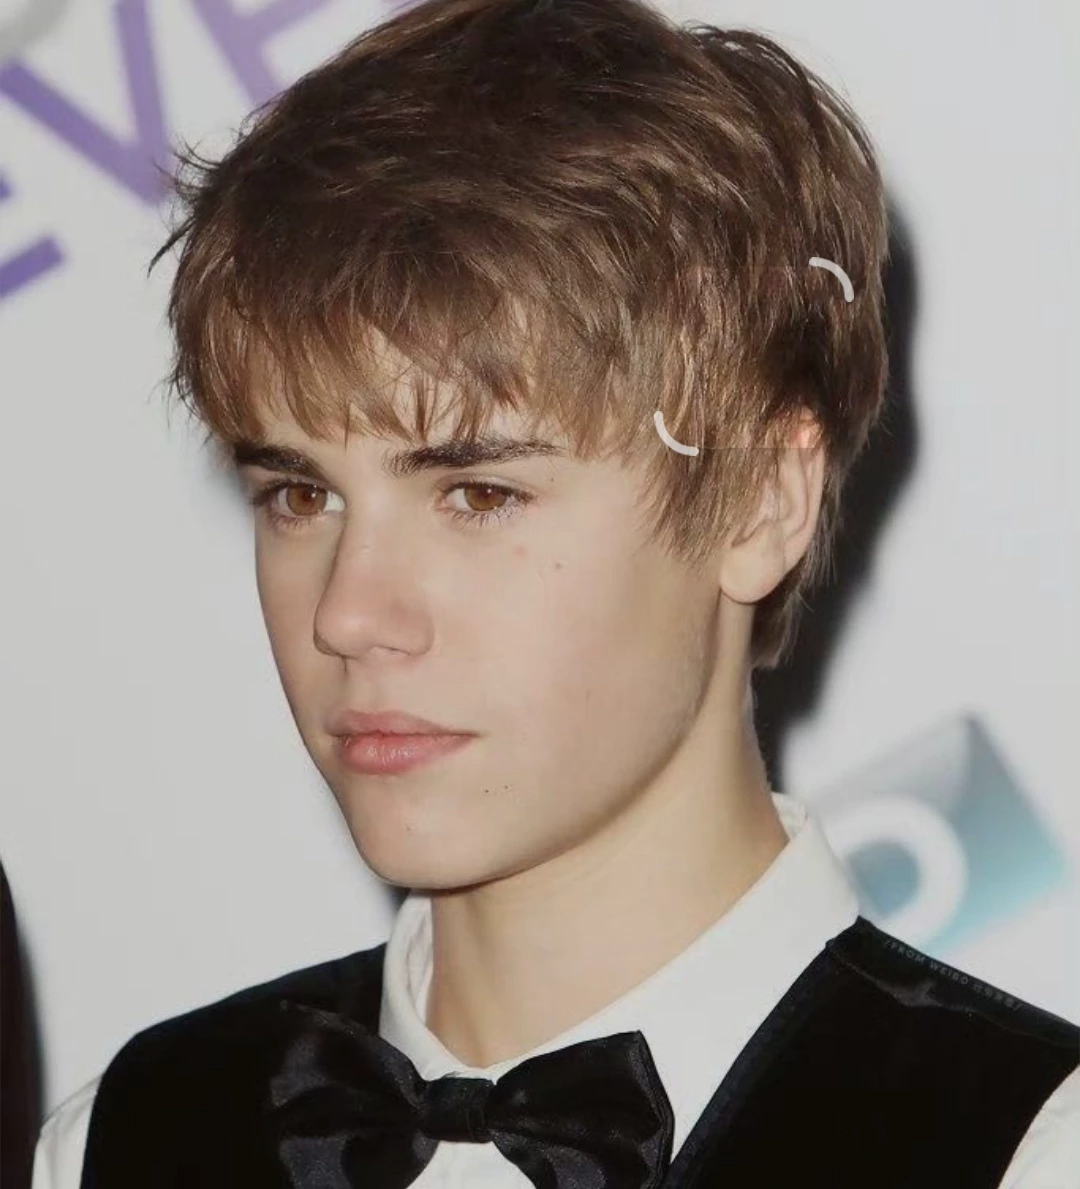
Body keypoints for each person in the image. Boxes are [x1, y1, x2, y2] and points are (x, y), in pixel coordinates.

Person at [31, 0, 1079, 1185]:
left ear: (761, 501)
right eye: (299, 493)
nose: (348, 614)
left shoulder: (1034, 1154)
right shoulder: (122, 1137)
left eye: (479, 493)